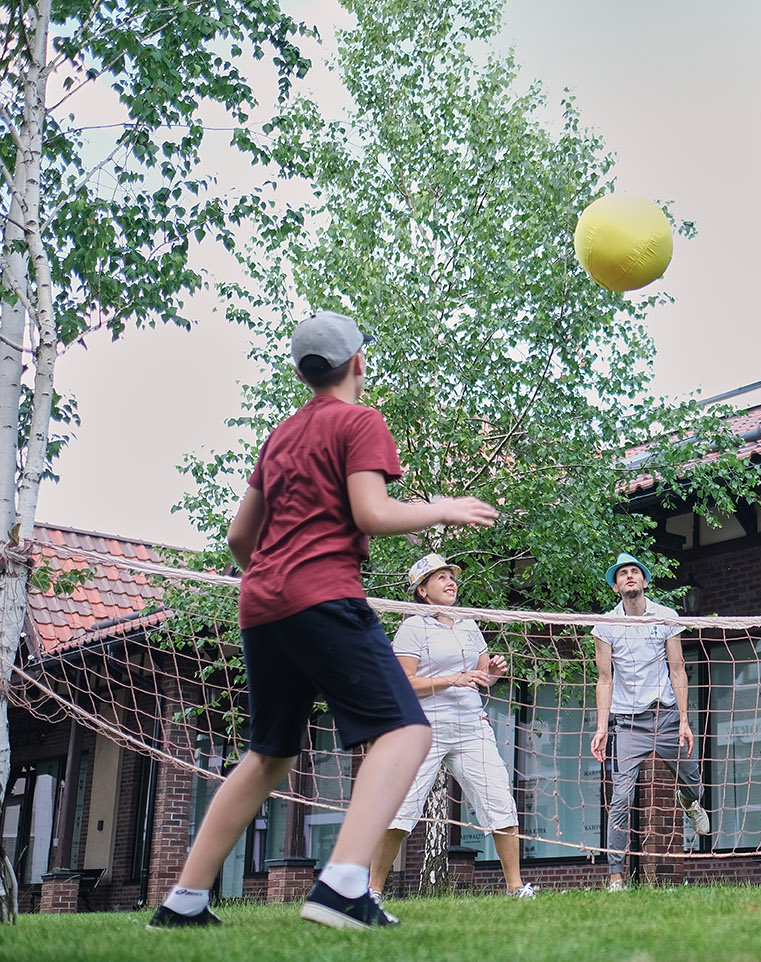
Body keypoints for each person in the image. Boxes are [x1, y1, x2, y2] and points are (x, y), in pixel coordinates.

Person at [148, 310, 498, 930]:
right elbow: (371, 512)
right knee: (407, 733)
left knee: (268, 754)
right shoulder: (360, 421)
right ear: (358, 362)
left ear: (303, 373)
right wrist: (442, 509)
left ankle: (184, 901)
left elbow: (239, 538)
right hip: (323, 597)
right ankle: (341, 885)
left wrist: (275, 581)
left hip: (261, 604)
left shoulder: (281, 435)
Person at [368, 553, 535, 900]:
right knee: (400, 810)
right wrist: (453, 679)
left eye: (451, 576)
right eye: (441, 577)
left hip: (471, 727)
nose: (450, 582)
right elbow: (403, 683)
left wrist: (493, 673)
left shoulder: (468, 624)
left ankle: (516, 887)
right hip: (423, 730)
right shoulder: (413, 626)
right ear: (423, 590)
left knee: (500, 801)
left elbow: (481, 676)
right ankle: (373, 891)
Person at [589, 552, 711, 891]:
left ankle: (689, 801)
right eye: (622, 574)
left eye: (634, 572)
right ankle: (616, 877)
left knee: (694, 782)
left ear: (644, 581)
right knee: (620, 798)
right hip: (628, 723)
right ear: (616, 587)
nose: (629, 576)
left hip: (667, 715)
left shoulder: (666, 616)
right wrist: (602, 728)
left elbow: (678, 669)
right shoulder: (605, 625)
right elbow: (604, 680)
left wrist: (684, 720)